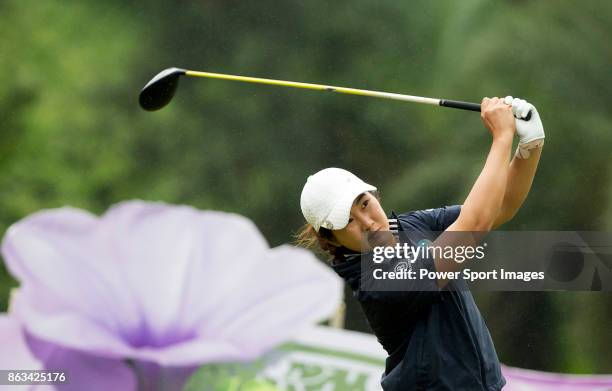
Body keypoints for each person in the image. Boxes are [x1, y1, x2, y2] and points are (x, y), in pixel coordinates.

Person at [296, 96, 544, 390]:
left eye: (364, 204)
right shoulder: (377, 283)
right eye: (347, 221)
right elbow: (474, 226)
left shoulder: (411, 225)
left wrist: (529, 147)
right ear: (330, 239)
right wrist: (502, 137)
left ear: (373, 195)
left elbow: (499, 207)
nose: (367, 222)